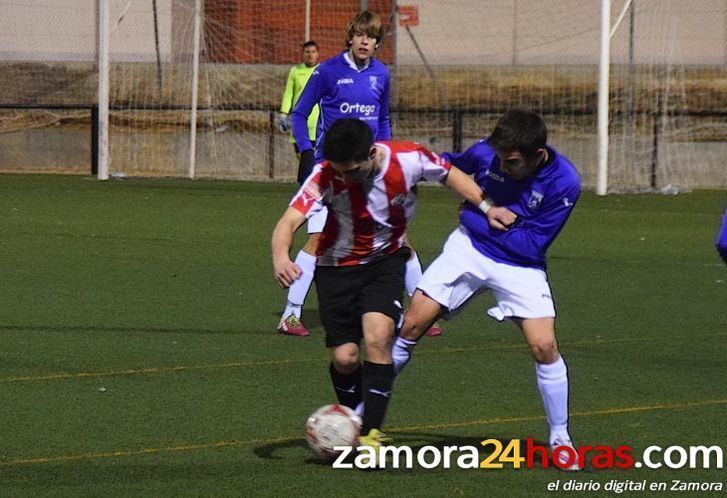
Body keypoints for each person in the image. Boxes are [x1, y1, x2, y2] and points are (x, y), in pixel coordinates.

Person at [271, 118, 491, 449]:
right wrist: (281, 259)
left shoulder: (409, 159)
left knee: (379, 337)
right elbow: (288, 222)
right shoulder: (324, 176)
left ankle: (370, 432)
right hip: (336, 269)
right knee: (345, 359)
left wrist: (487, 207)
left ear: (372, 153)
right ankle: (354, 417)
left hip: (384, 263)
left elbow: (451, 175)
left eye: (353, 171)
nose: (346, 179)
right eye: (340, 171)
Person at [390, 110, 583, 471]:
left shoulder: (564, 181)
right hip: (468, 250)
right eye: (500, 158)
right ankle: (362, 415)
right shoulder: (486, 153)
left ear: (537, 155)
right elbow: (446, 167)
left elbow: (531, 245)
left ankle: (560, 437)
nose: (501, 165)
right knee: (411, 326)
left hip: (521, 266)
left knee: (544, 346)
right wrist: (481, 213)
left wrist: (471, 215)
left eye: (511, 162)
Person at [277, 10, 441, 338]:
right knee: (319, 240)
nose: (365, 41)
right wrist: (308, 152)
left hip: (369, 172)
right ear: (350, 37)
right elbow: (299, 113)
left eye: (373, 38)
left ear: (378, 44)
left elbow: (382, 122)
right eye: (361, 35)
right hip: (333, 169)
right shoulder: (327, 72)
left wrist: (386, 157)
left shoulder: (381, 75)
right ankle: (290, 315)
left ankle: (421, 311)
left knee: (399, 239)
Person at [278, 40, 320, 184]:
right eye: (307, 52)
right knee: (303, 159)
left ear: (318, 54)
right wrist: (284, 113)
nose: (310, 55)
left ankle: (312, 189)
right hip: (300, 124)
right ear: (303, 54)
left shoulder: (322, 71)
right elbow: (289, 94)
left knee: (314, 160)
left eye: (313, 52)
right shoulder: (295, 71)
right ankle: (308, 187)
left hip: (317, 124)